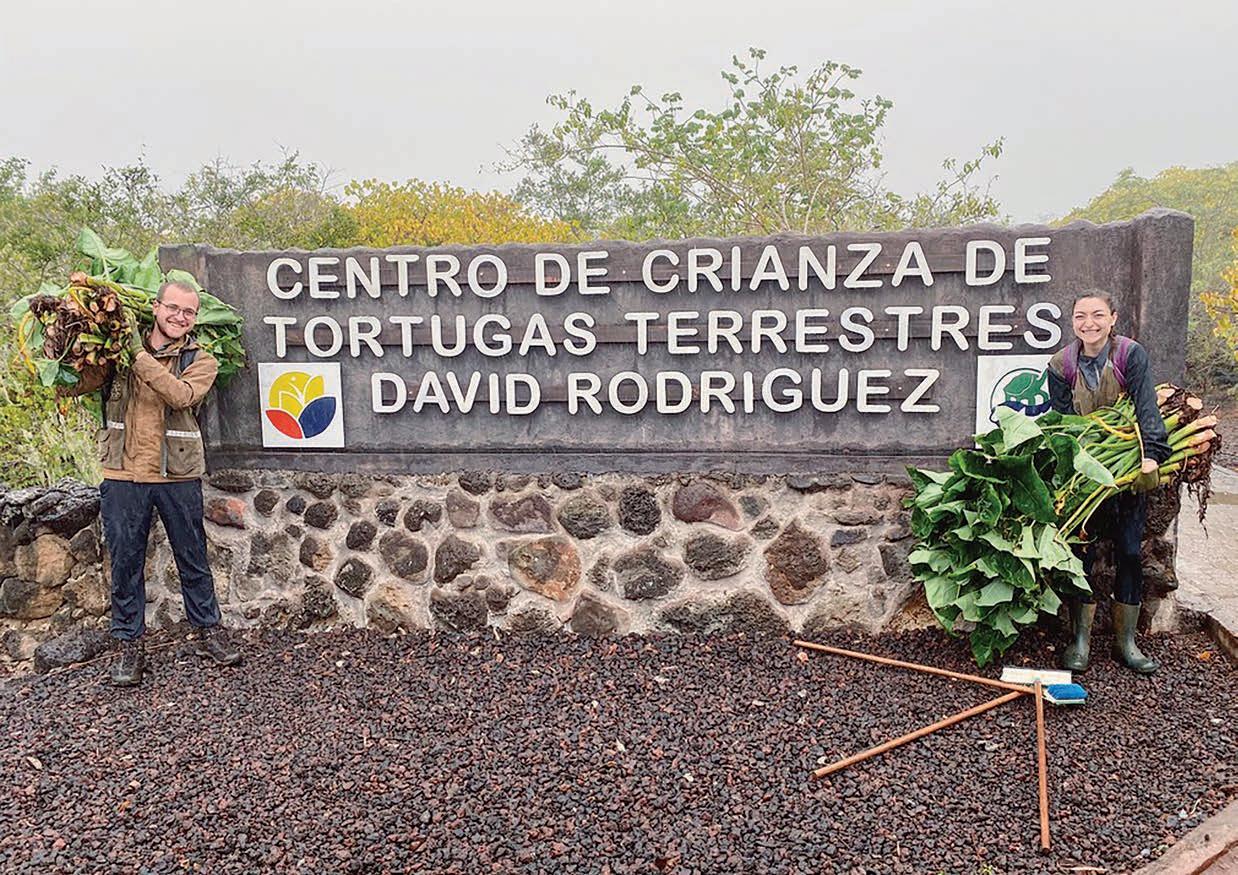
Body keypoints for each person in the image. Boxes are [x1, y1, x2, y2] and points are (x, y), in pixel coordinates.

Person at [66, 280, 241, 686]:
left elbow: (180, 396)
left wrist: (137, 355)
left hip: (177, 474)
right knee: (125, 563)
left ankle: (208, 631)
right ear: (156, 307)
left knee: (192, 558)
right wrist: (70, 348)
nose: (180, 317)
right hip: (123, 475)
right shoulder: (116, 351)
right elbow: (75, 385)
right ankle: (129, 645)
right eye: (173, 308)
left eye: (188, 312)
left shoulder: (201, 360)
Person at [1046, 290, 1168, 674]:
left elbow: (1146, 406)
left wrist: (1151, 456)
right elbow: (1063, 426)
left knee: (1130, 551)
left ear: (1113, 318)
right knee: (1081, 550)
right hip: (1086, 474)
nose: (1089, 323)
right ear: (1072, 321)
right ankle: (1079, 640)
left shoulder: (1130, 355)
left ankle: (1125, 643)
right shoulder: (1060, 365)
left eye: (1098, 315)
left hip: (1128, 469)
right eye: (1081, 316)